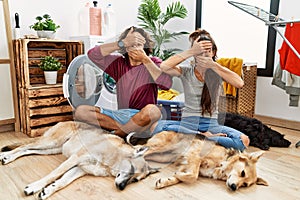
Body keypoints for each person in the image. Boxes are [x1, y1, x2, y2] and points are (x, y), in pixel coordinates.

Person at [149, 29, 250, 151]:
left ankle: (198, 138)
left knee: (243, 140)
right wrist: (191, 51)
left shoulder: (218, 71)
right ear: (194, 54)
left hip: (211, 125)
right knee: (155, 127)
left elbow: (239, 83)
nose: (204, 55)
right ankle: (203, 137)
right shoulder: (186, 71)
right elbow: (164, 66)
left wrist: (213, 65)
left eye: (208, 51)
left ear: (213, 52)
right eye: (199, 52)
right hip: (188, 124)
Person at [74, 26, 172, 138]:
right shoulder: (118, 63)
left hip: (144, 116)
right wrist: (122, 43)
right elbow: (92, 54)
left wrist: (145, 59)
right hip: (121, 115)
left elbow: (166, 84)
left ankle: (118, 134)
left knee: (154, 110)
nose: (135, 48)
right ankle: (129, 132)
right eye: (131, 44)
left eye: (138, 44)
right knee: (81, 111)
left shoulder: (153, 62)